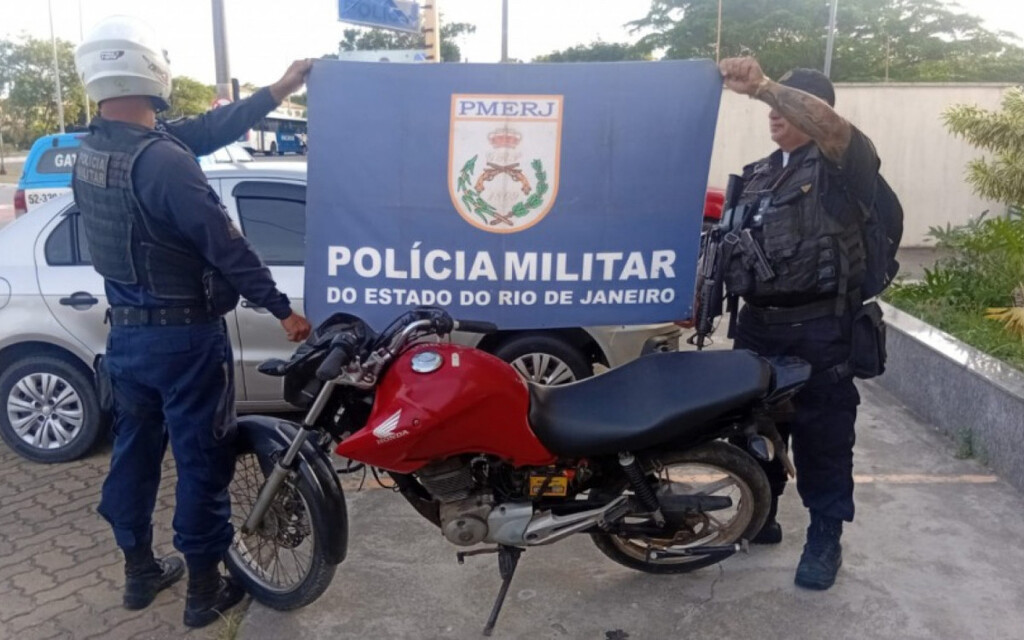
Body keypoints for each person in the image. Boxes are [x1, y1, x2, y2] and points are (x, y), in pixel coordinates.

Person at [72, 16, 313, 627]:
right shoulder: (163, 163)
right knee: (202, 459)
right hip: (183, 340)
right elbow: (225, 246)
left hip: (125, 338)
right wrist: (283, 310)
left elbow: (203, 130)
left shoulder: (96, 150)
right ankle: (205, 594)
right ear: (154, 74)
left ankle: (139, 573)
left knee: (134, 454)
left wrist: (278, 89)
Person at [717, 57, 881, 590]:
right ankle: (761, 513)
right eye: (771, 106)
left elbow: (834, 131)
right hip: (759, 326)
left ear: (816, 112)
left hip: (820, 328)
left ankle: (824, 537)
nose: (773, 113)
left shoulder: (842, 167)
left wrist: (765, 86)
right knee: (754, 428)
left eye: (787, 104)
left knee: (823, 435)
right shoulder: (761, 175)